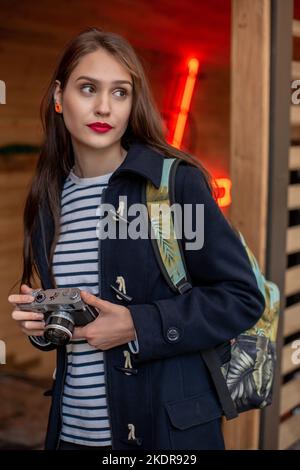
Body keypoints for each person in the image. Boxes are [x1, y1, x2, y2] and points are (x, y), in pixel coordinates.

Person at [8, 27, 265, 451]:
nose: (104, 106)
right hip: (71, 433)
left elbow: (241, 297)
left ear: (133, 103)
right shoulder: (48, 200)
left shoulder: (172, 184)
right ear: (59, 96)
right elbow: (83, 319)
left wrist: (136, 324)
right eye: (88, 88)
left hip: (161, 437)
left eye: (120, 92)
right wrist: (44, 326)